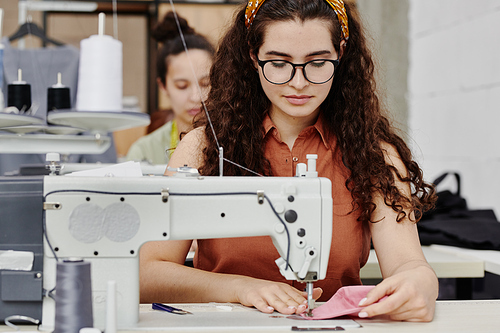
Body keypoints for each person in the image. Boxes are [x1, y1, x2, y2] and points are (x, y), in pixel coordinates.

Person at [140, 0, 439, 322]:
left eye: (318, 62)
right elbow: (147, 274)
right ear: (253, 57)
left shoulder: (374, 155)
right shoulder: (203, 149)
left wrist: (419, 283)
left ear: (341, 54)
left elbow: (410, 264)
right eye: (279, 63)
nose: (299, 82)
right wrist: (240, 288)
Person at [126, 12, 215, 164]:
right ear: (163, 86)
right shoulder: (144, 152)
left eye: (205, 83)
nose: (195, 96)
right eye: (182, 86)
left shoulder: (238, 142)